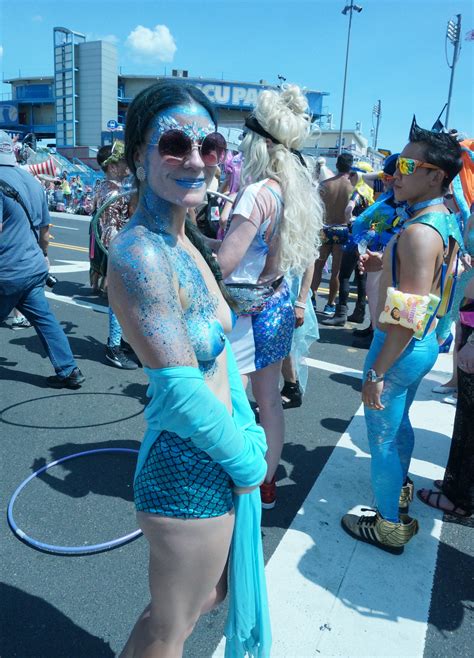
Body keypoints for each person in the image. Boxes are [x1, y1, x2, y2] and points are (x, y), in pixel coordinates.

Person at [107, 82, 270, 658]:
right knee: (170, 628)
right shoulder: (141, 253)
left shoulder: (186, 241)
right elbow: (179, 393)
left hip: (215, 454)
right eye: (174, 144)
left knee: (202, 600)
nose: (197, 160)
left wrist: (246, 423)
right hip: (185, 475)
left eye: (211, 145)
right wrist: (248, 460)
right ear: (139, 156)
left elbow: (218, 350)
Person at [341, 119, 464, 554]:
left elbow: (406, 316)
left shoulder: (417, 232)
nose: (396, 174)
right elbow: (441, 287)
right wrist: (385, 263)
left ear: (435, 175)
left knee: (382, 437)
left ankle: (389, 523)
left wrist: (376, 371)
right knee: (400, 425)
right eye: (397, 163)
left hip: (401, 346)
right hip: (424, 344)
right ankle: (401, 493)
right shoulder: (444, 221)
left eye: (409, 165)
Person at [217, 84, 323, 508]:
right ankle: (267, 482)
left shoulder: (256, 193)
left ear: (256, 141)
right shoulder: (290, 190)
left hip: (244, 312)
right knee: (269, 399)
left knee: (227, 395)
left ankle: (234, 474)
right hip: (277, 302)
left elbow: (224, 264)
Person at [0, 130, 85, 388]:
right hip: (33, 266)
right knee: (45, 320)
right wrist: (44, 255)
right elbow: (45, 232)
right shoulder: (32, 181)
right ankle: (69, 371)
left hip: (6, 271)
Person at [417, 209, 474, 518]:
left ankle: (461, 497)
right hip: (468, 313)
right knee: (466, 417)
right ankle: (458, 485)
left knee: (470, 420)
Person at [92, 142, 137, 369]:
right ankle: (114, 346)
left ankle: (119, 341)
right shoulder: (112, 191)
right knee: (120, 301)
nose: (126, 164)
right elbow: (109, 228)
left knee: (123, 301)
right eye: (121, 161)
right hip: (118, 250)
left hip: (118, 249)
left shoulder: (105, 186)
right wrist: (116, 258)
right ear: (111, 166)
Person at [320, 167, 374, 328]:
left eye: (353, 174)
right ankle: (359, 311)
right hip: (369, 238)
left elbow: (349, 209)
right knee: (361, 276)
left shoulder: (358, 192)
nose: (350, 177)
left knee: (344, 275)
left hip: (354, 237)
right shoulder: (371, 193)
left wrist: (351, 221)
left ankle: (341, 313)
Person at [311, 152, 354, 315]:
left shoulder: (325, 184)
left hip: (325, 227)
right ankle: (330, 303)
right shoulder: (352, 187)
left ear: (337, 165)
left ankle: (312, 298)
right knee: (336, 271)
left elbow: (317, 208)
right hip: (342, 229)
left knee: (318, 266)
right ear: (350, 167)